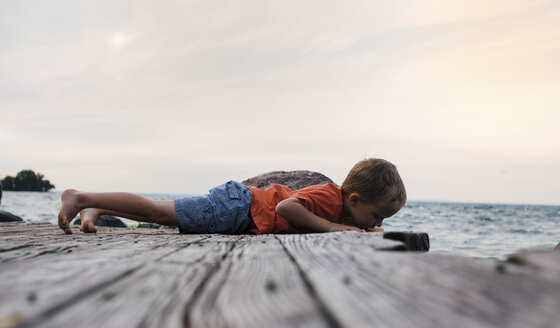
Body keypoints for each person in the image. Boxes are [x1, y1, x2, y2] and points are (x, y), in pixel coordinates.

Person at [57, 158, 407, 235]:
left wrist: (369, 232)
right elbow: (287, 206)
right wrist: (332, 229)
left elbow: (356, 227)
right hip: (238, 207)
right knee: (159, 212)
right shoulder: (330, 197)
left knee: (162, 212)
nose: (376, 224)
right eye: (377, 216)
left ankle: (96, 205)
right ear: (356, 199)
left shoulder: (344, 210)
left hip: (239, 210)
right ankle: (80, 196)